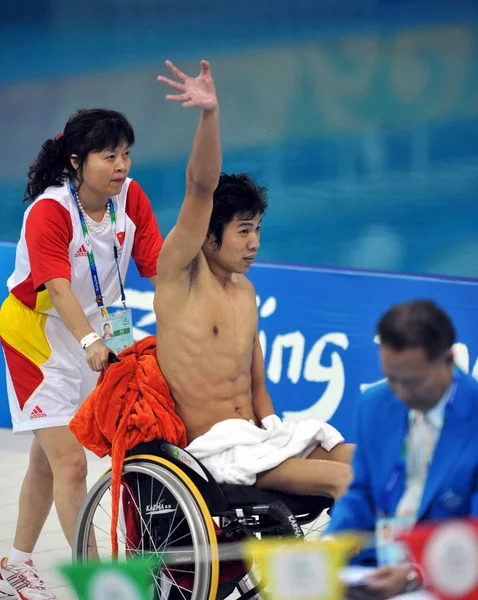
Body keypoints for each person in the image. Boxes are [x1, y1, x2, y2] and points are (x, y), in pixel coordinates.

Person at [154, 59, 354, 500]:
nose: (254, 243)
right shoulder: (179, 277)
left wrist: (276, 435)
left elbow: (257, 387)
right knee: (349, 484)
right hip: (215, 456)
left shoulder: (245, 291)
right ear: (208, 236)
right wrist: (210, 114)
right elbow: (199, 188)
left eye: (257, 230)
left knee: (368, 462)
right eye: (242, 231)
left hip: (258, 442)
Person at [0, 108, 163, 599]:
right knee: (70, 463)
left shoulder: (130, 196)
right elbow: (58, 287)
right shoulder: (49, 211)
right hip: (41, 338)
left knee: (48, 463)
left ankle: (17, 563)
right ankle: (98, 584)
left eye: (126, 155)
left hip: (104, 329)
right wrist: (91, 343)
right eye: (109, 155)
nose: (121, 166)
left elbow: (159, 268)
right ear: (76, 160)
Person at [326, 300, 478, 599]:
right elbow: (361, 494)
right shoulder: (375, 403)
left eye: (413, 381)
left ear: (448, 359)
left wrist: (416, 573)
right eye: (391, 378)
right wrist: (332, 545)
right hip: (376, 566)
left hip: (451, 574)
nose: (401, 393)